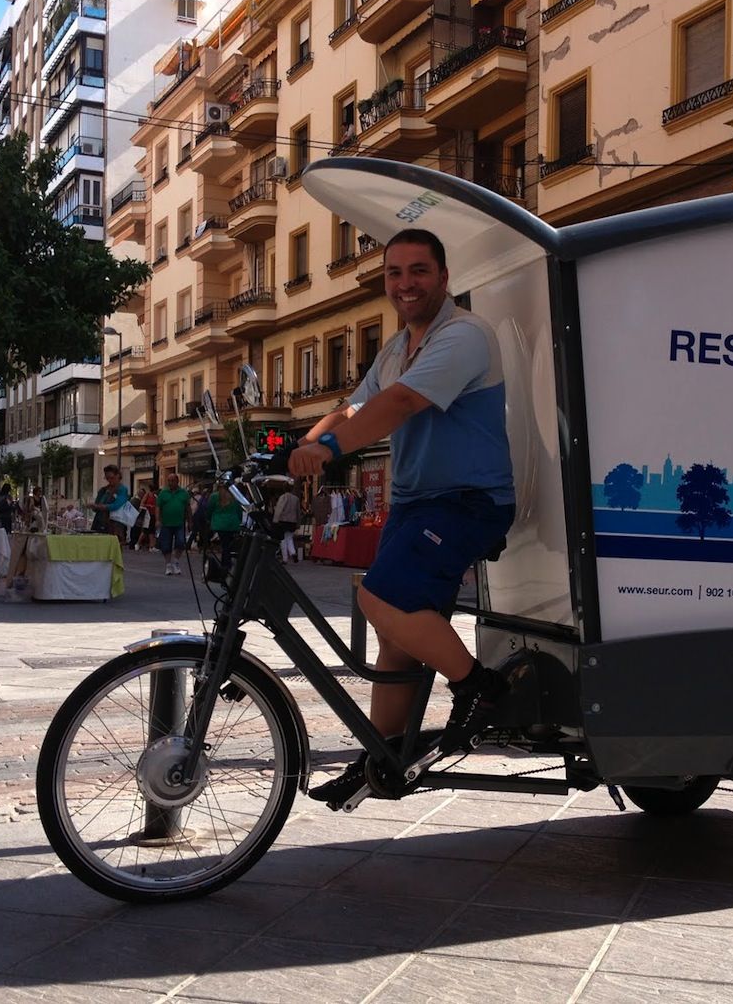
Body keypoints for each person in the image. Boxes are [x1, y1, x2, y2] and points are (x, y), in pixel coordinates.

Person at [288, 229, 514, 806]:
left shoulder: (462, 335)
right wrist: (297, 446)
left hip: (468, 501)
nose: (405, 284)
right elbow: (355, 406)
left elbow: (400, 404)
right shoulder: (397, 347)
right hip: (418, 503)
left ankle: (481, 688)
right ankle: (381, 755)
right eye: (394, 273)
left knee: (380, 597)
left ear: (443, 277)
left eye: (418, 271)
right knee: (396, 640)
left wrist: (331, 452)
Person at [154, 472, 191, 575]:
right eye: (169, 481)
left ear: (177, 481)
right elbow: (158, 507)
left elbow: (188, 508)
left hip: (179, 523)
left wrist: (190, 521)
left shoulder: (184, 493)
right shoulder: (163, 493)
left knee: (180, 542)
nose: (170, 483)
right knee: (166, 545)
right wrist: (157, 520)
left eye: (172, 481)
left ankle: (176, 561)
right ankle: (168, 565)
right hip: (166, 523)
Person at [209, 479, 244, 570]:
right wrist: (239, 521)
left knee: (225, 544)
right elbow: (239, 511)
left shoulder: (214, 496)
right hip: (232, 523)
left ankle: (225, 563)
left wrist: (208, 520)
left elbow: (209, 510)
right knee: (228, 544)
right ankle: (227, 562)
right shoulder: (234, 497)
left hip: (219, 523)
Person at [91, 465, 130, 544]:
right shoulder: (103, 490)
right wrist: (95, 506)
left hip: (115, 524)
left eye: (111, 478)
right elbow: (95, 507)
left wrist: (99, 506)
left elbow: (117, 505)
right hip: (100, 522)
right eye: (107, 478)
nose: (109, 480)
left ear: (118, 476)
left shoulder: (121, 489)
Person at [272, 486, 301, 562]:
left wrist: (275, 520)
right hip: (292, 521)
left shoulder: (283, 497)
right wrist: (298, 523)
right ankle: (293, 552)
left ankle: (285, 558)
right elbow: (298, 511)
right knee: (289, 537)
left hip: (283, 521)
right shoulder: (296, 499)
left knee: (283, 539)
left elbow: (279, 509)